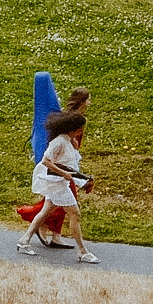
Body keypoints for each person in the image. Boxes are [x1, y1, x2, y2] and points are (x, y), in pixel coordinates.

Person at [18, 111, 95, 262]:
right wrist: (64, 173)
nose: (81, 132)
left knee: (45, 212)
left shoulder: (68, 141)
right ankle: (82, 251)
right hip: (56, 184)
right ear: (71, 129)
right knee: (75, 214)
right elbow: (46, 161)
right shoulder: (59, 141)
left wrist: (81, 180)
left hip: (59, 183)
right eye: (79, 130)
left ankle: (24, 240)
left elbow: (71, 166)